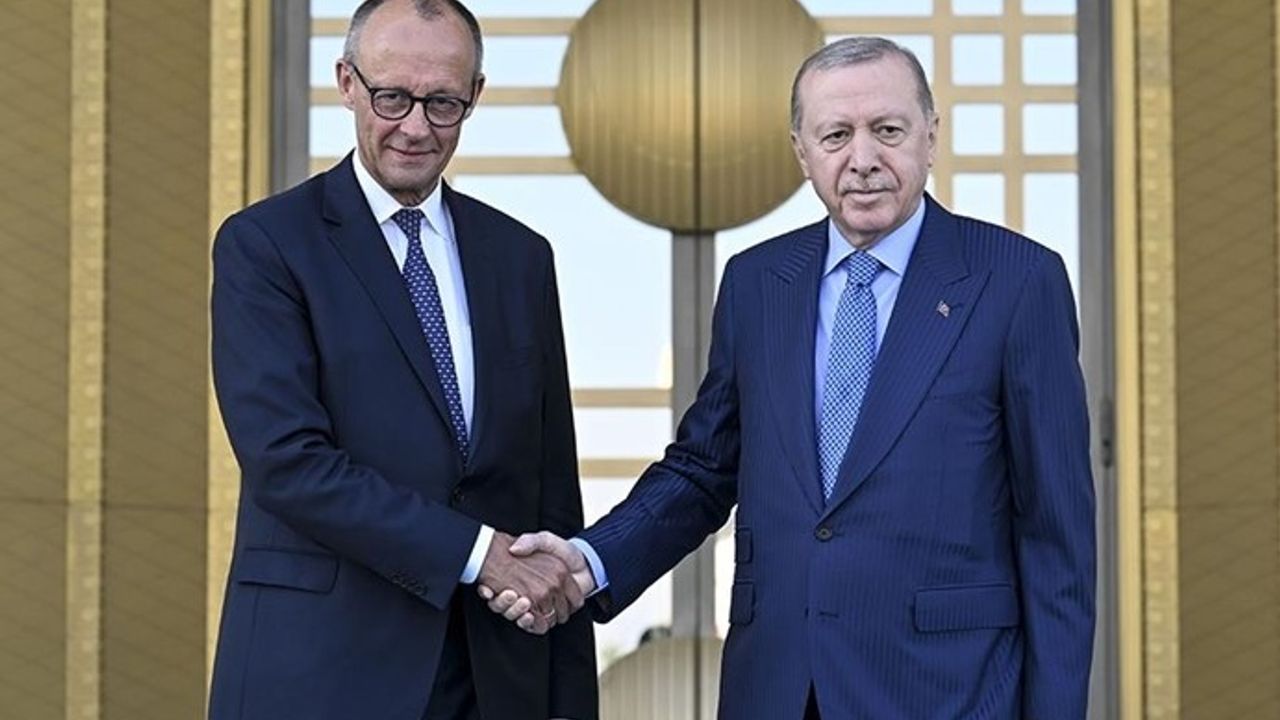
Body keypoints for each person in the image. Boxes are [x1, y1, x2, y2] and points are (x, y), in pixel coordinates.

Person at [485, 37, 1095, 719]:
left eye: (888, 131)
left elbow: (1056, 540)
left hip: (947, 691)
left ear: (931, 136)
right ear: (802, 152)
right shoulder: (756, 283)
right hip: (776, 686)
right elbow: (703, 470)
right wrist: (590, 560)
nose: (862, 159)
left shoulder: (1017, 281)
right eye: (835, 136)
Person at [207, 1, 595, 718]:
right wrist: (478, 552)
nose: (416, 127)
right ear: (346, 83)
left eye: (443, 103)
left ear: (475, 96)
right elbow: (287, 462)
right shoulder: (266, 246)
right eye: (392, 97)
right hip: (321, 673)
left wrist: (568, 697)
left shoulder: (521, 258)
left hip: (495, 677)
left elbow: (550, 488)